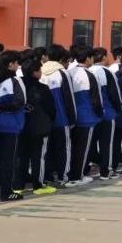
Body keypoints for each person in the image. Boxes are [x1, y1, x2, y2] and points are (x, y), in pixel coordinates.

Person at [0, 51, 25, 202]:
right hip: (10, 124)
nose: (17, 66)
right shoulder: (15, 81)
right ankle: (6, 192)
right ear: (10, 64)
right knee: (8, 160)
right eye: (16, 63)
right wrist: (2, 107)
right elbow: (20, 101)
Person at [18, 57, 57, 195]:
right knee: (39, 157)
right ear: (35, 72)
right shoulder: (42, 88)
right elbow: (51, 109)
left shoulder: (18, 85)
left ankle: (18, 185)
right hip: (40, 127)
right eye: (39, 70)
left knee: (21, 156)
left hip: (21, 126)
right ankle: (38, 185)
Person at [40, 45, 76, 186]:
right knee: (64, 149)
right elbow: (69, 97)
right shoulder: (62, 73)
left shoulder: (40, 71)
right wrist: (72, 118)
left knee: (46, 150)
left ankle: (47, 176)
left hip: (44, 119)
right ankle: (63, 177)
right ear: (61, 58)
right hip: (61, 118)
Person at [67, 46, 101, 186]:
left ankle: (70, 174)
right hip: (86, 117)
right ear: (87, 58)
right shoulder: (89, 75)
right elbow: (96, 98)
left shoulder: (69, 72)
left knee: (72, 148)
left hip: (71, 117)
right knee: (83, 149)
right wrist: (99, 113)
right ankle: (78, 176)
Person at [89, 47, 122, 179]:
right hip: (107, 113)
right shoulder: (107, 72)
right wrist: (118, 109)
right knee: (107, 144)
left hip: (92, 114)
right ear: (103, 57)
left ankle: (89, 168)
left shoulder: (88, 71)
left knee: (91, 143)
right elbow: (115, 94)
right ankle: (106, 170)